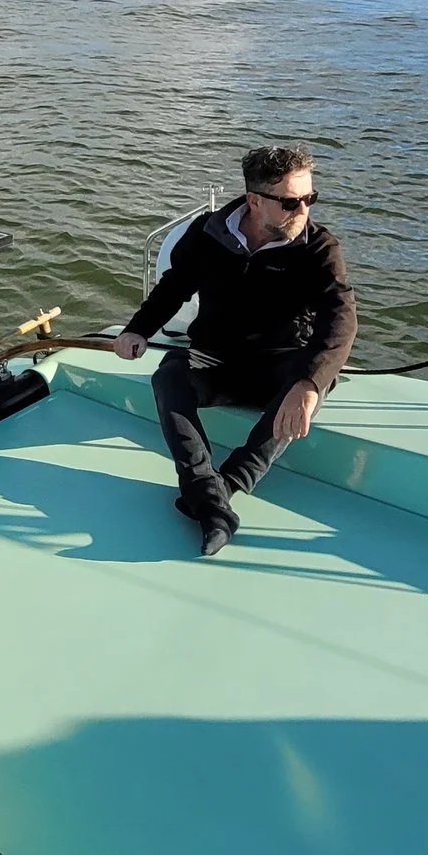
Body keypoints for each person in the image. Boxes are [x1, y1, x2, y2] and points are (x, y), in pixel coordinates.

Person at [115, 144, 358, 556]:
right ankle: (206, 491)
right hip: (218, 360)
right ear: (254, 200)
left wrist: (311, 382)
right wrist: (137, 330)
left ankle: (221, 490)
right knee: (169, 376)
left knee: (313, 382)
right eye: (290, 202)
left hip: (282, 365)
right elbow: (173, 287)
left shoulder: (319, 248)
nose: (303, 210)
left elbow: (341, 320)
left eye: (309, 198)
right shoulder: (207, 234)